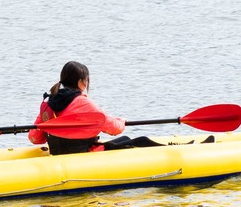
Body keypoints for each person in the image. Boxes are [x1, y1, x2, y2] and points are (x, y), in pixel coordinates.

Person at [29, 61, 158, 155]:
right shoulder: (82, 103)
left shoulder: (47, 103)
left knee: (125, 140)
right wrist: (121, 121)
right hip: (83, 154)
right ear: (80, 82)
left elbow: (34, 137)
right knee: (142, 140)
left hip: (58, 153)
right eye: (86, 80)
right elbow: (114, 129)